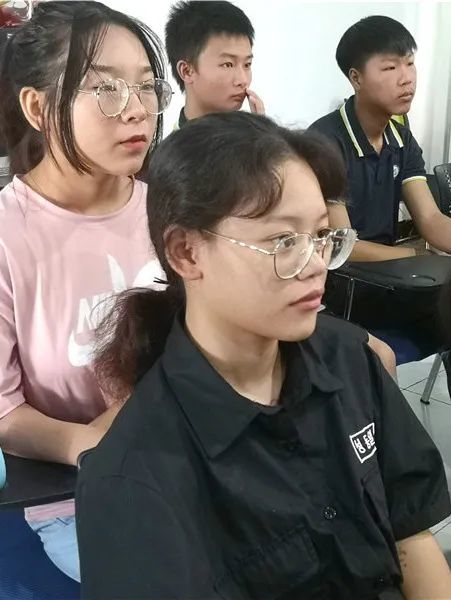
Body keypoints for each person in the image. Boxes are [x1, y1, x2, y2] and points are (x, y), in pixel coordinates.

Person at [76, 112, 451, 599]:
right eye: (283, 241)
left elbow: (411, 535)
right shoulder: (134, 479)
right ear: (186, 252)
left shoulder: (349, 359)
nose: (316, 265)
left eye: (322, 237)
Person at [0, 0, 171, 582]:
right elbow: (5, 411)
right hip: (76, 496)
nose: (138, 109)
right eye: (107, 89)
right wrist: (86, 444)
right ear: (38, 108)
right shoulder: (8, 234)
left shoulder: (173, 209)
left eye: (146, 87)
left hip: (196, 460)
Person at [309, 15, 450, 357]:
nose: (406, 78)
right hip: (345, 290)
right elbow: (343, 248)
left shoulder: (401, 138)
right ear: (356, 78)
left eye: (410, 63)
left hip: (393, 279)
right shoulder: (325, 142)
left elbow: (431, 220)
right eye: (389, 68)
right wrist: (416, 255)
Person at [165, 0, 265, 129]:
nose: (243, 80)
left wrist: (263, 134)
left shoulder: (257, 133)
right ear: (187, 71)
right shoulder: (172, 143)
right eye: (228, 64)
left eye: (247, 64)